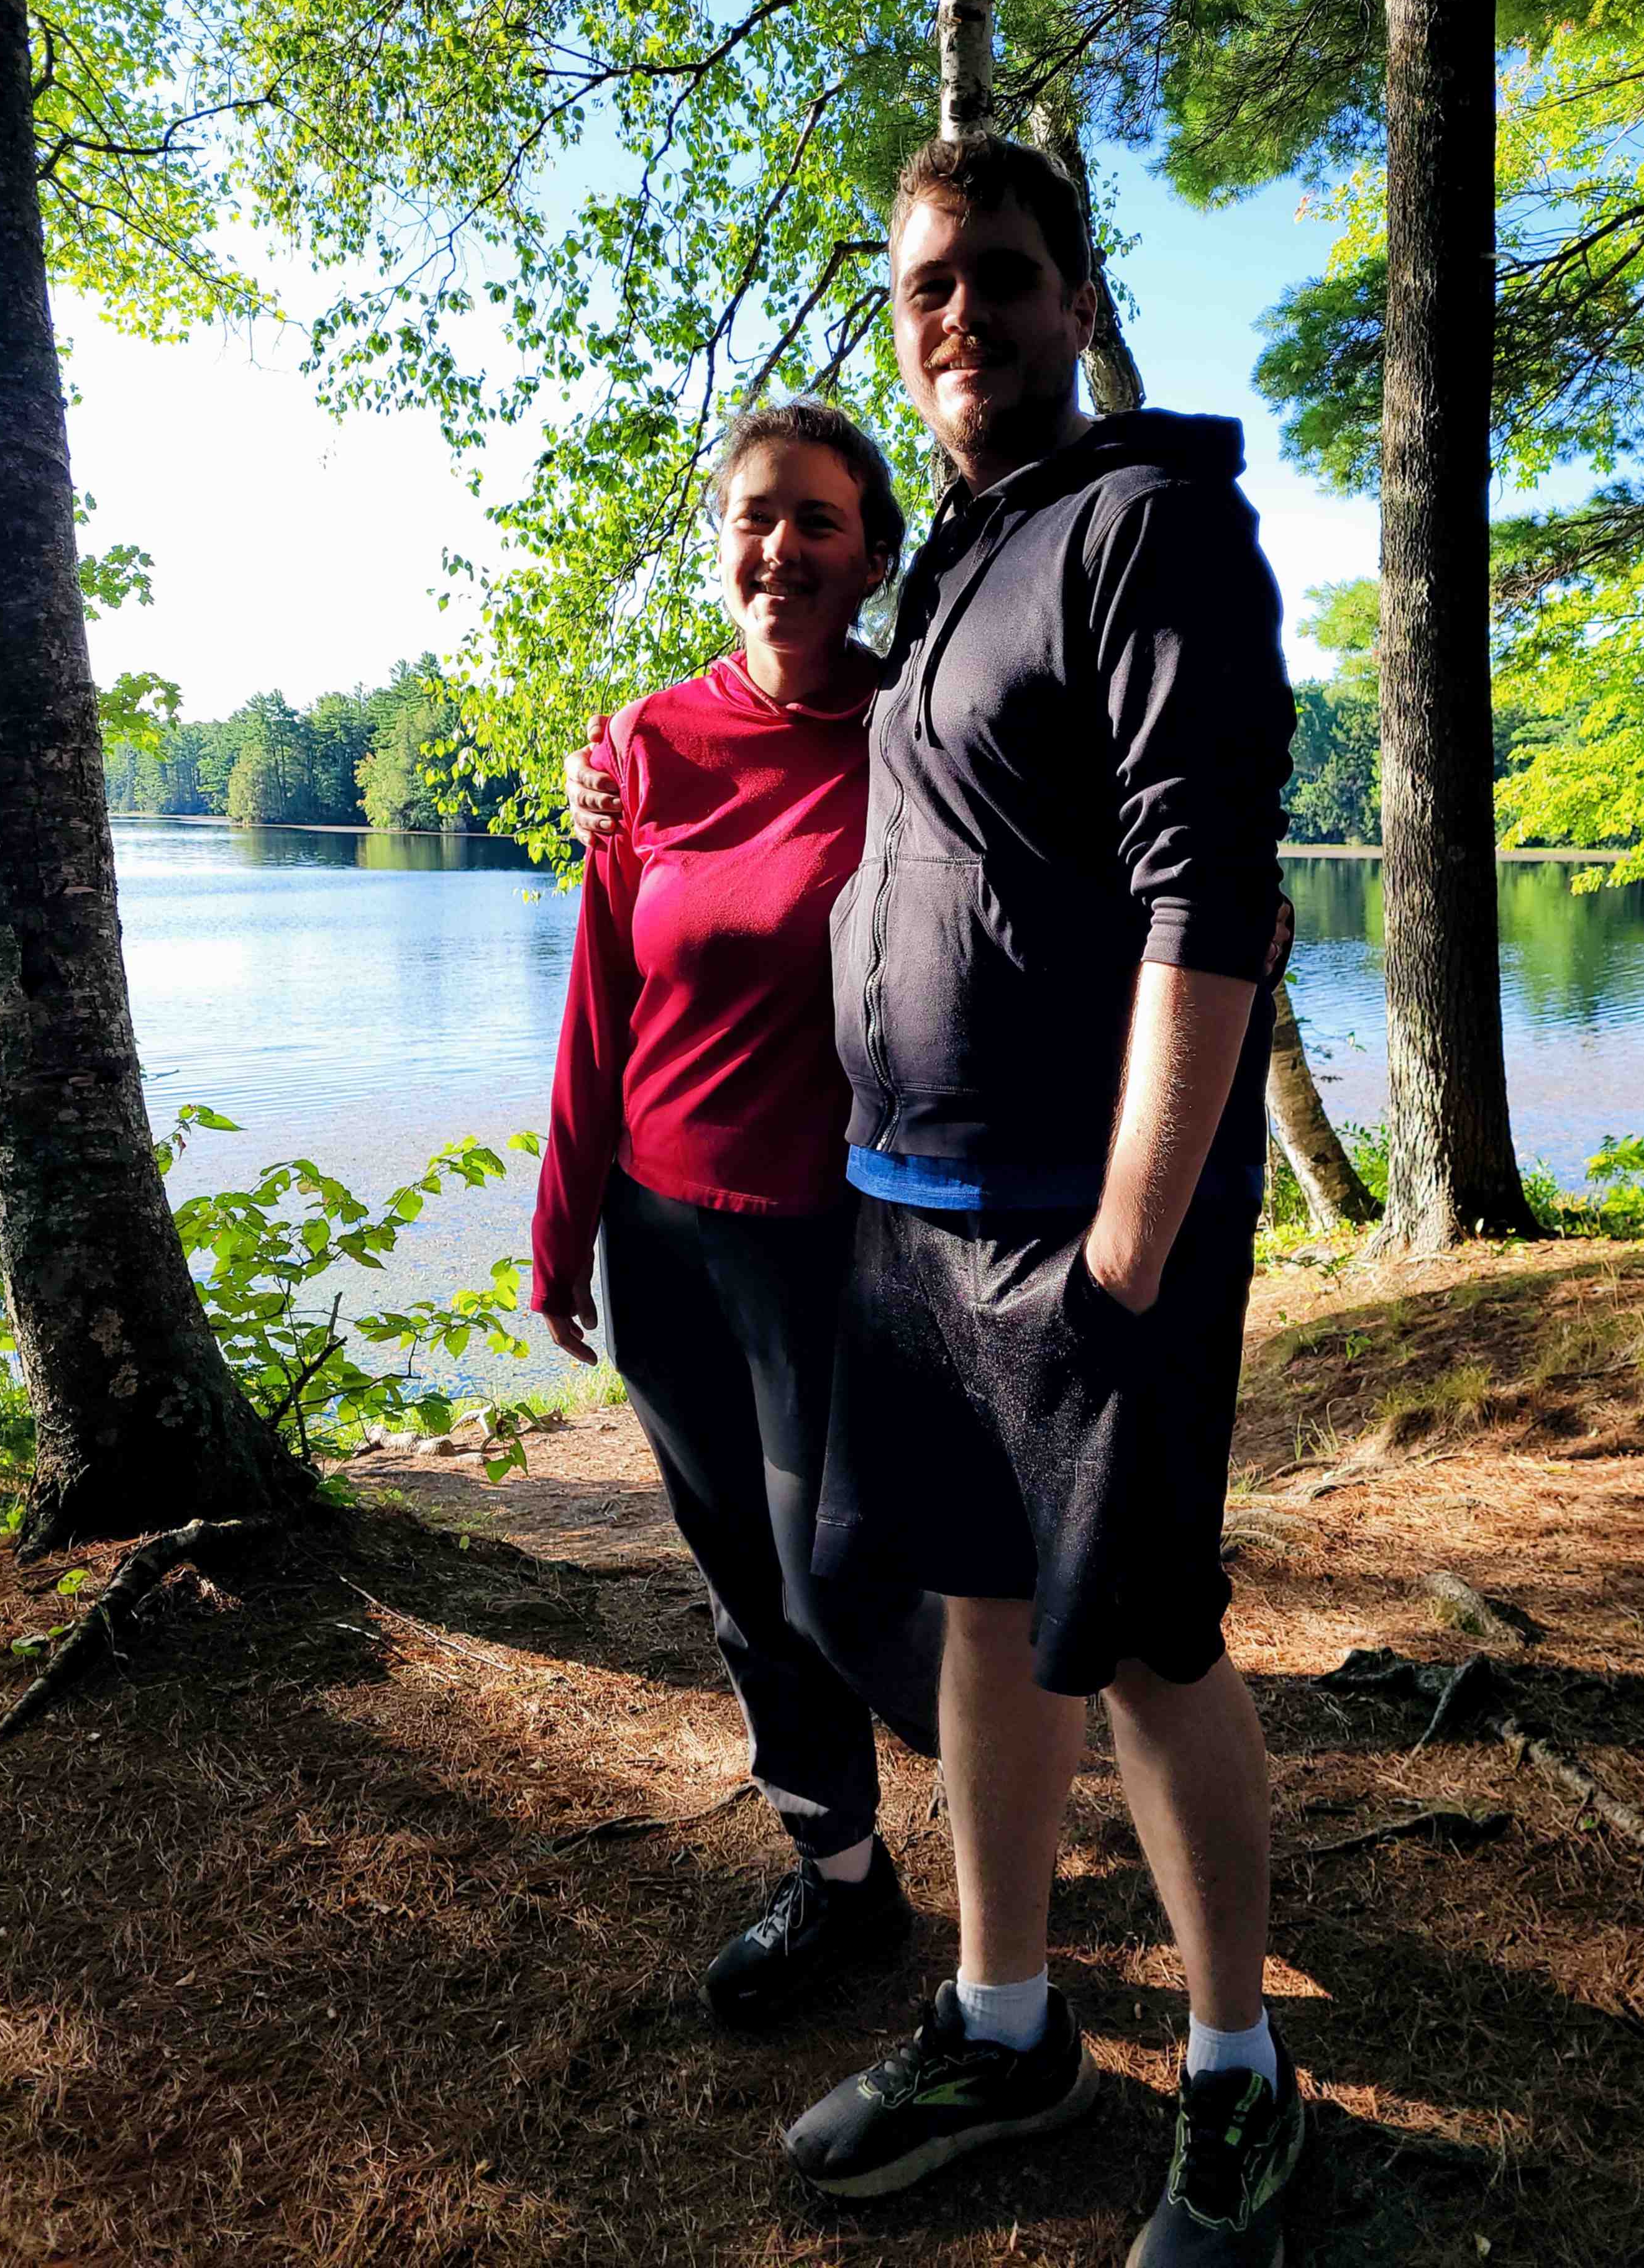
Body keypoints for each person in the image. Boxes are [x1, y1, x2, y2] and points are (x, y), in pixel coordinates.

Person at [569, 140, 1304, 2265]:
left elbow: (1213, 897)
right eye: (924, 291)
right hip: (910, 1211)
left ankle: (1242, 2081)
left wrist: (1134, 1252)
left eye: (997, 275)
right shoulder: (960, 571)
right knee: (984, 1615)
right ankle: (1006, 2024)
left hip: (1089, 1224)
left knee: (1150, 1646)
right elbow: (810, 759)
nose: (960, 315)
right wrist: (626, 767)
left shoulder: (1149, 530)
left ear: (1078, 300)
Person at [532, 398, 942, 2028]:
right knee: (739, 1581)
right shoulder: (644, 744)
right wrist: (562, 1222)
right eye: (756, 518)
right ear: (726, 547)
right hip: (665, 1231)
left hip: (836, 1237)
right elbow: (601, 995)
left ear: (872, 555)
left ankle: (996, 1784)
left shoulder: (916, 736)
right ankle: (843, 1880)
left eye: (819, 522)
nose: (781, 550)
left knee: (845, 1577)